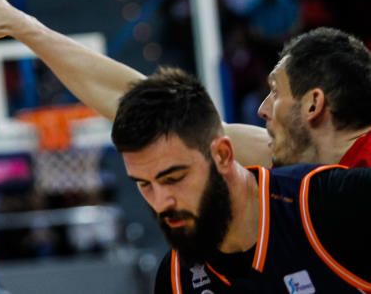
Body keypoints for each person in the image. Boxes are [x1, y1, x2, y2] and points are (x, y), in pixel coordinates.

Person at [0, 0, 371, 168]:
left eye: (276, 91)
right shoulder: (292, 162)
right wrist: (25, 28)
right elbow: (143, 102)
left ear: (314, 104)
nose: (262, 108)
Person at [112, 68, 371, 293]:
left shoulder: (326, 203)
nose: (161, 202)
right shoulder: (176, 280)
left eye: (174, 178)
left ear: (223, 155)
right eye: (144, 184)